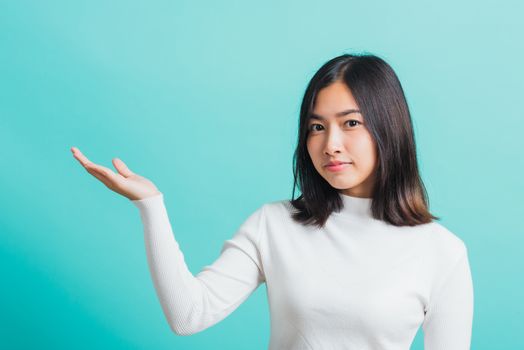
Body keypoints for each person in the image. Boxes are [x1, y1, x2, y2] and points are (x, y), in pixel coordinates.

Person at [71, 53, 474, 349]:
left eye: (351, 123)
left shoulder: (442, 253)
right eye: (317, 127)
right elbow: (188, 315)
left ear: (389, 128)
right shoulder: (275, 224)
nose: (331, 144)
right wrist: (151, 206)